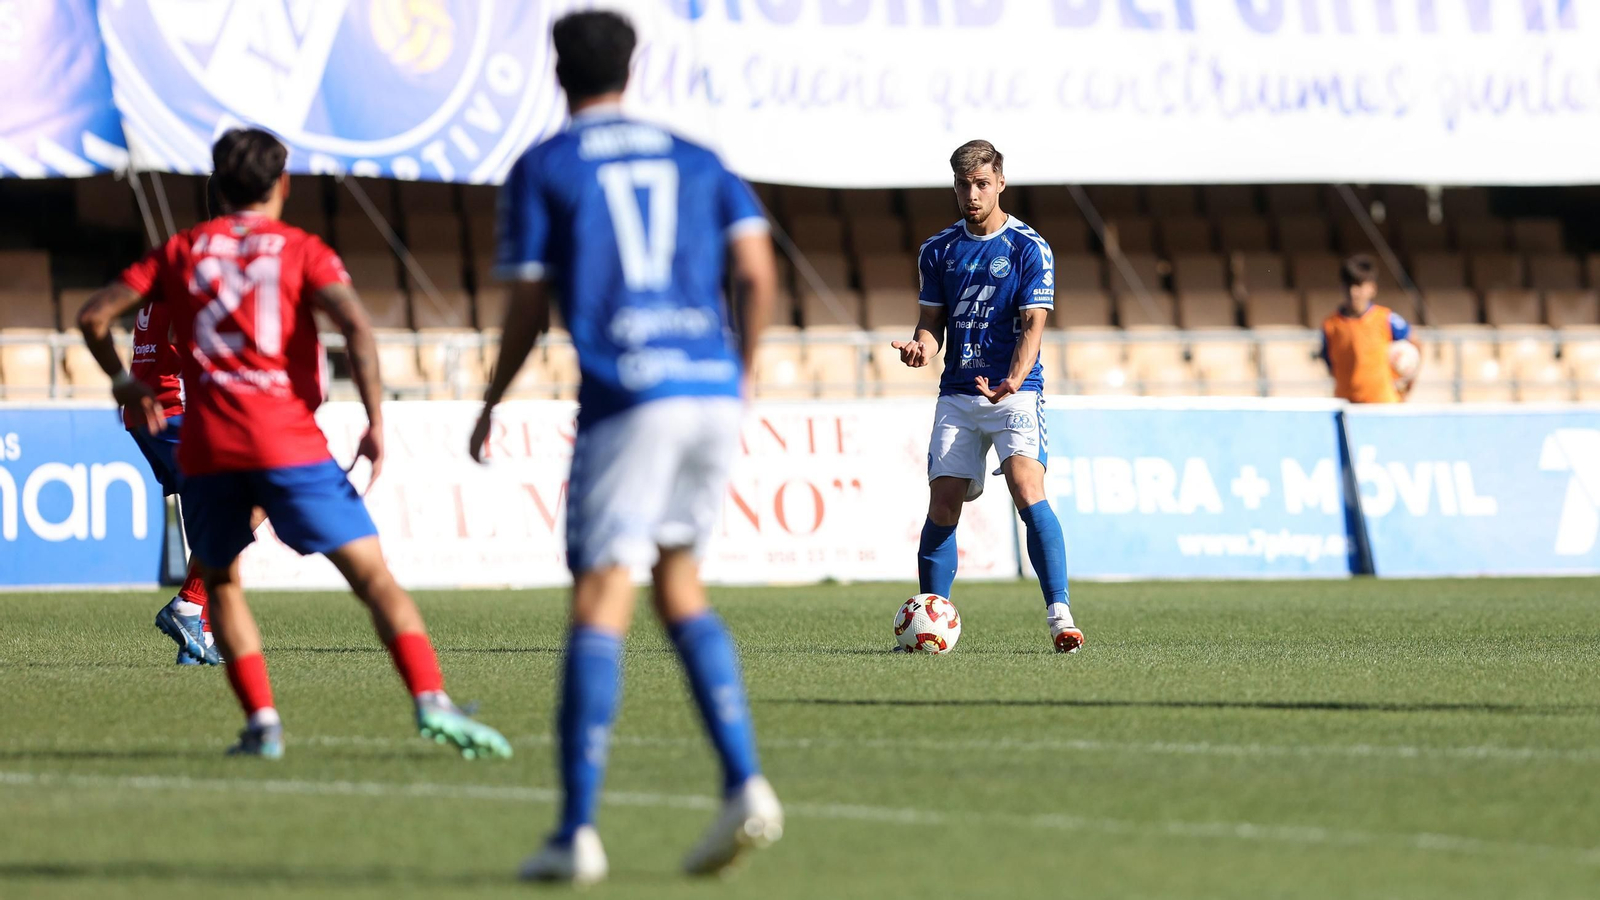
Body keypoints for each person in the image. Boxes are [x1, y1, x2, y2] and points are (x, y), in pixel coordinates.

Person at [77, 127, 509, 762]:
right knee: (373, 577)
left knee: (221, 586)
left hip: (210, 441)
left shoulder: (181, 250)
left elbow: (93, 315)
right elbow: (356, 327)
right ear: (283, 185)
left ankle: (262, 724)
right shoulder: (301, 248)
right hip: (285, 436)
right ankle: (431, 700)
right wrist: (375, 420)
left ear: (216, 187)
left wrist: (122, 382)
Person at [469, 10, 781, 885]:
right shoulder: (698, 156)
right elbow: (756, 272)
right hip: (710, 387)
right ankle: (743, 781)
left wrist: (491, 400)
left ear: (556, 71)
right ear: (633, 66)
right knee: (678, 578)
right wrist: (740, 375)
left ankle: (576, 830)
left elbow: (529, 306)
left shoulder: (545, 166)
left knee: (603, 592)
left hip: (629, 392)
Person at [892, 140, 1083, 654]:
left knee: (1027, 489)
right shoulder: (937, 250)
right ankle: (931, 618)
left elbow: (1032, 326)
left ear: (1000, 182)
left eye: (981, 183)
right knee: (944, 502)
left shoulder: (1027, 247)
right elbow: (932, 326)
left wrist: (1014, 380)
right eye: (963, 185)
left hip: (1015, 393)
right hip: (958, 391)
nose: (972, 194)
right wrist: (919, 348)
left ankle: (1059, 613)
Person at [1319, 254, 1420, 403]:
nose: (1353, 292)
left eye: (1359, 285)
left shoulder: (1385, 318)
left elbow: (1415, 343)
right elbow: (1330, 363)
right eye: (1349, 285)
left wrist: (1407, 386)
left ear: (1372, 288)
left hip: (1382, 404)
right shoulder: (1330, 325)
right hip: (1346, 404)